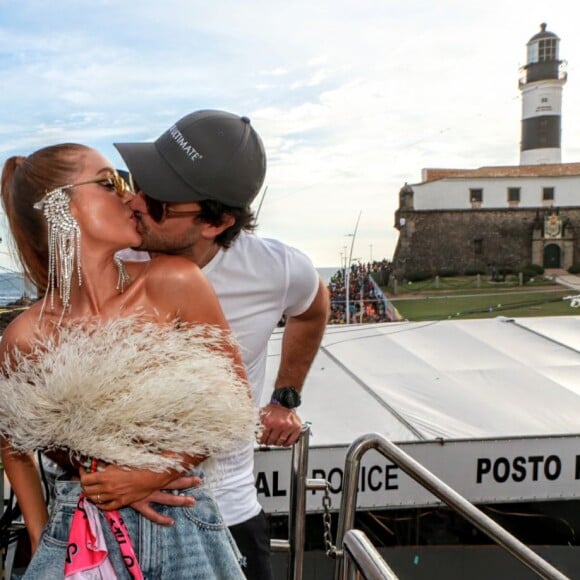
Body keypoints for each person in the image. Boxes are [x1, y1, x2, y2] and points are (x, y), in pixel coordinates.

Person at [82, 109, 330, 580]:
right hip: (118, 519)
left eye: (157, 202)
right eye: (134, 182)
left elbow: (315, 307)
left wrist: (286, 397)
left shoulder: (276, 269)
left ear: (215, 222)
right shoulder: (110, 258)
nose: (134, 202)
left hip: (227, 516)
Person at [0, 144, 255, 578]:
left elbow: (236, 409)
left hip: (183, 531)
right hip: (81, 535)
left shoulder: (173, 281)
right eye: (108, 183)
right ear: (61, 207)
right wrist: (44, 537)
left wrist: (152, 474)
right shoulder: (27, 335)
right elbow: (13, 445)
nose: (130, 197)